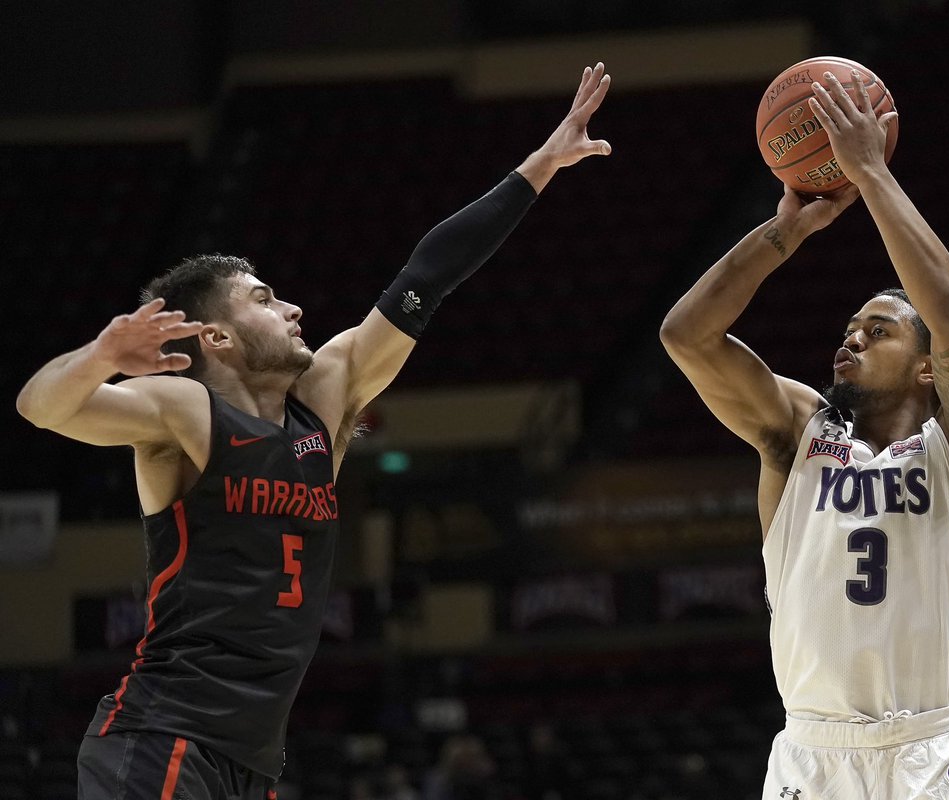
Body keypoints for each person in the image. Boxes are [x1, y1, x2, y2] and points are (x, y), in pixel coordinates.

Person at [16, 63, 613, 800]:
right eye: (265, 299)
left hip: (252, 762)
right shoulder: (186, 414)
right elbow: (40, 406)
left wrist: (539, 167)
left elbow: (427, 276)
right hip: (162, 738)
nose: (294, 307)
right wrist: (102, 355)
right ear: (219, 339)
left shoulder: (324, 403)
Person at [660, 69, 949, 798]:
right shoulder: (799, 437)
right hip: (812, 756)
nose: (849, 341)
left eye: (877, 331)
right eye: (848, 329)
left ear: (926, 369)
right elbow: (686, 337)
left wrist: (871, 174)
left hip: (927, 750)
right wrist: (781, 234)